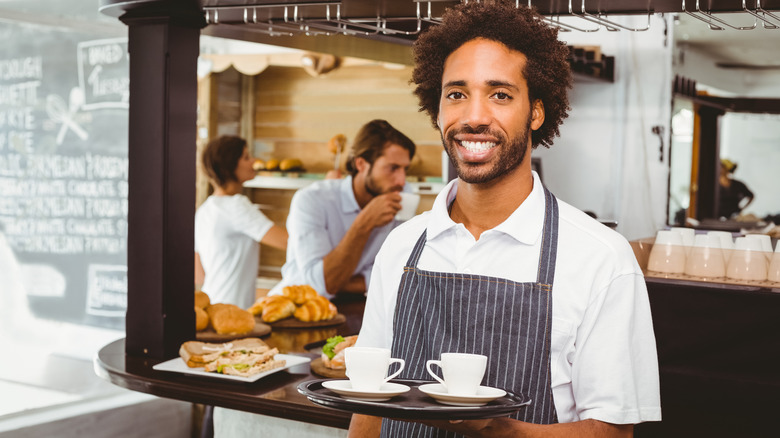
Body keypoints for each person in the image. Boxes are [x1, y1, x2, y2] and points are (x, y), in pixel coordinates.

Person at [349, 2, 661, 437]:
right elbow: (369, 403)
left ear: (536, 111)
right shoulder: (402, 246)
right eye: (456, 94)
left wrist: (499, 429)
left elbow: (612, 433)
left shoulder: (601, 259)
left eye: (500, 94)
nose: (474, 117)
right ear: (436, 109)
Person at [269, 119, 416, 299]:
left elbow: (397, 272)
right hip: (297, 309)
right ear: (361, 164)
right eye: (392, 168)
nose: (402, 181)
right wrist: (364, 223)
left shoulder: (401, 195)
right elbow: (322, 285)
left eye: (405, 169)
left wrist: (342, 283)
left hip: (355, 308)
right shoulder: (311, 200)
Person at [195, 135, 288, 309]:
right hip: (232, 310)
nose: (253, 161)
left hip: (212, 306)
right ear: (230, 165)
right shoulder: (236, 206)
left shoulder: (205, 209)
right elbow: (287, 242)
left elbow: (197, 272)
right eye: (246, 157)